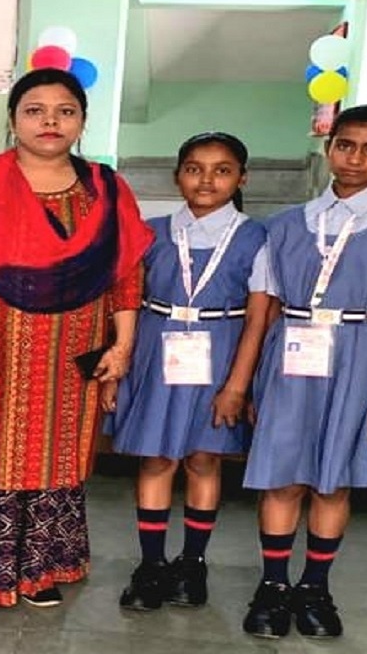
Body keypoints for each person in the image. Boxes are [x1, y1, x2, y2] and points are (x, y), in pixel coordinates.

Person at [0, 68, 153, 625]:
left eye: (65, 111)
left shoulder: (105, 188)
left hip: (74, 352)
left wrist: (123, 345)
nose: (50, 121)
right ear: (13, 118)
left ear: (82, 121)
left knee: (56, 456)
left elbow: (126, 274)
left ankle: (36, 569)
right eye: (35, 110)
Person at [241, 104, 367, 640]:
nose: (355, 158)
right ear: (329, 147)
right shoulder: (286, 224)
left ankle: (315, 587)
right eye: (346, 145)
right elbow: (265, 310)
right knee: (282, 476)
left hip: (364, 355)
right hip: (292, 355)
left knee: (334, 481)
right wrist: (251, 381)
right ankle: (274, 585)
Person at [109, 132, 271, 611]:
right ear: (177, 175)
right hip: (156, 350)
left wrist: (237, 385)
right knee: (156, 459)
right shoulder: (150, 232)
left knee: (204, 459)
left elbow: (259, 317)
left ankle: (193, 563)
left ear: (242, 179)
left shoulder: (258, 237)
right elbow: (125, 300)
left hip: (220, 353)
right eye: (194, 169)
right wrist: (117, 368)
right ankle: (151, 563)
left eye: (222, 170)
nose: (206, 180)